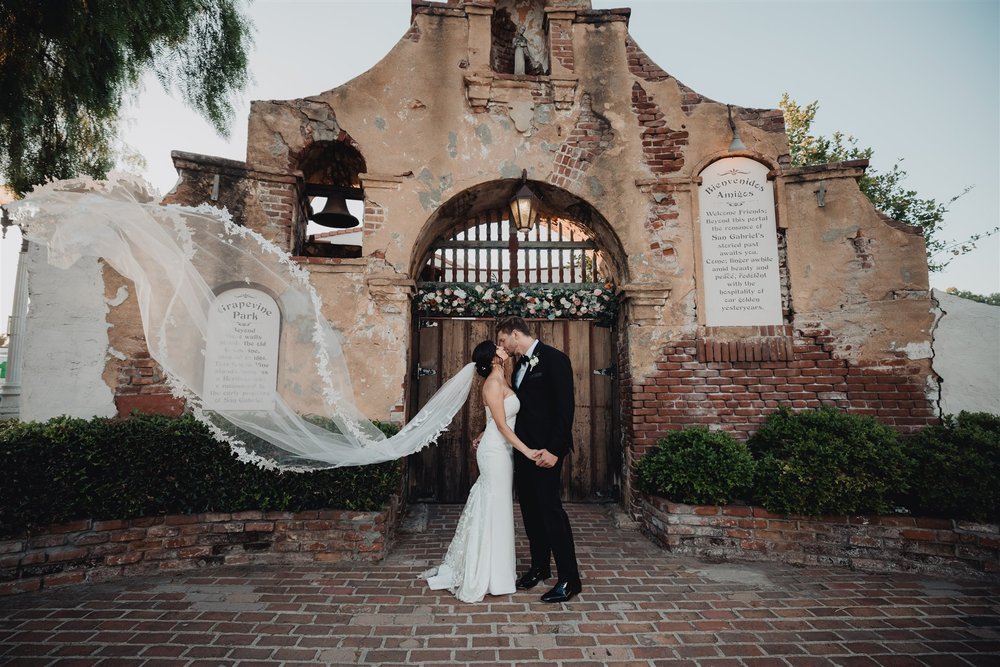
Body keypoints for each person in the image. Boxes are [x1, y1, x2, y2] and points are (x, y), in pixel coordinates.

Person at [423, 341, 541, 603]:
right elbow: (500, 426)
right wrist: (527, 451)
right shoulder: (492, 384)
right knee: (495, 505)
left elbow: (494, 420)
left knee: (497, 507)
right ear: (493, 357)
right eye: (499, 348)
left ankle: (498, 572)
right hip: (497, 453)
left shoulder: (503, 380)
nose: (504, 348)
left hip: (500, 450)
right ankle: (488, 573)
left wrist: (480, 434)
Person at [496, 316, 582, 603]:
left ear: (515, 334)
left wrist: (555, 450)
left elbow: (565, 408)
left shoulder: (554, 359)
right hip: (524, 452)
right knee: (530, 513)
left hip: (546, 453)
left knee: (551, 513)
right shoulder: (519, 365)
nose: (502, 346)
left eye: (502, 340)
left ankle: (569, 579)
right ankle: (539, 567)